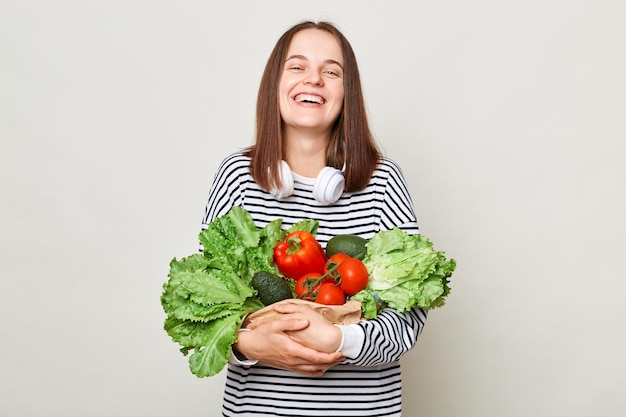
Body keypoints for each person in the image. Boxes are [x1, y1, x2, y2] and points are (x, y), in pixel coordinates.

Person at [201, 20, 428, 417]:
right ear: (275, 83)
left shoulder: (382, 180)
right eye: (297, 66)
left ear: (346, 92)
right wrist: (248, 345)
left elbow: (408, 319)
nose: (314, 80)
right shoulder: (237, 176)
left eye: (331, 71)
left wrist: (339, 339)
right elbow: (205, 308)